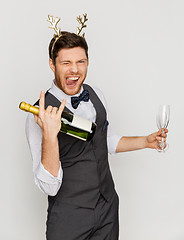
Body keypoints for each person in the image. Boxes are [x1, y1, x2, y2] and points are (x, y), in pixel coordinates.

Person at [26, 20, 168, 240]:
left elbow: (104, 140)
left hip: (108, 207)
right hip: (69, 216)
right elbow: (49, 186)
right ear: (52, 65)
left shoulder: (96, 95)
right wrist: (50, 135)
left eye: (81, 61)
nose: (74, 69)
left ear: (88, 62)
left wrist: (145, 141)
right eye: (66, 62)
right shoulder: (39, 113)